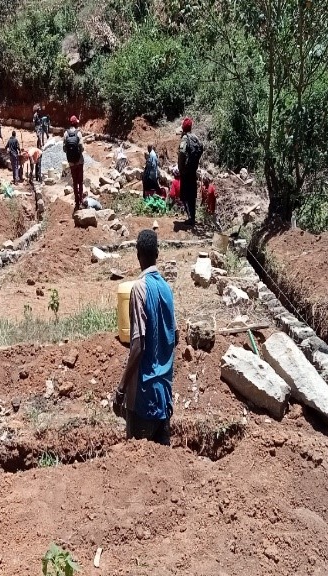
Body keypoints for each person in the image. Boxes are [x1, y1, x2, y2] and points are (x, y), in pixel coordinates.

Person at [113, 229, 178, 445]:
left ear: (137, 254)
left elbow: (138, 346)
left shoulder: (139, 289)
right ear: (157, 254)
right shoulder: (167, 290)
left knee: (138, 469)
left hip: (143, 398)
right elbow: (175, 336)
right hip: (164, 395)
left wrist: (121, 390)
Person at [177, 117, 203, 227]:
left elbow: (182, 154)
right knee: (192, 195)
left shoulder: (185, 139)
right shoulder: (196, 138)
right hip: (193, 171)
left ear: (183, 127)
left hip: (185, 172)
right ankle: (193, 217)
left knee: (183, 195)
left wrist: (181, 168)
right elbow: (201, 148)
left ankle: (189, 218)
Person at [63, 115, 85, 211]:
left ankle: (76, 201)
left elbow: (64, 149)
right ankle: (81, 200)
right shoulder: (79, 133)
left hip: (71, 162)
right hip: (79, 161)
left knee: (75, 182)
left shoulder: (66, 134)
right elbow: (82, 147)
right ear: (76, 123)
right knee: (80, 181)